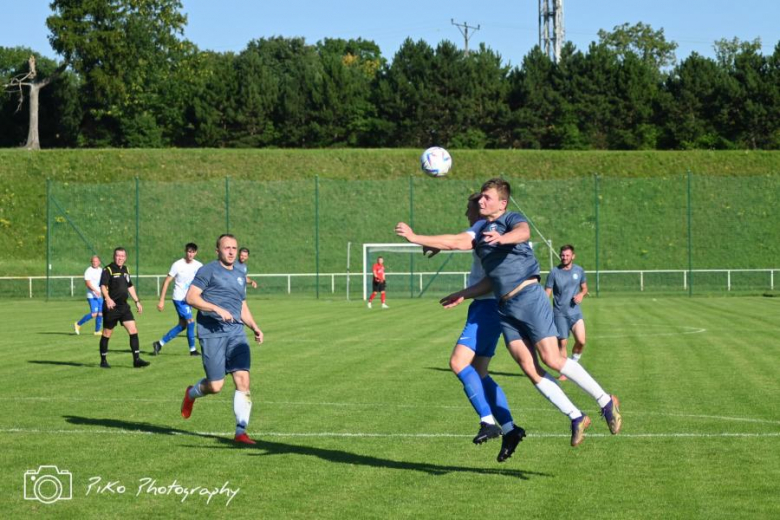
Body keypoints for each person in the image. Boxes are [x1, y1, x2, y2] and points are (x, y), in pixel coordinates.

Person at [395, 178, 621, 446]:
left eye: (487, 197)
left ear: (502, 202)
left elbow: (523, 233)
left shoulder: (510, 218)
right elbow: (456, 241)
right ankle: (575, 416)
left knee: (552, 359)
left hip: (529, 297)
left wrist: (503, 238)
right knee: (529, 368)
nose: (481, 201)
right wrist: (423, 242)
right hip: (504, 307)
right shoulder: (479, 230)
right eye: (480, 198)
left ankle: (605, 401)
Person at [435, 193, 526, 462]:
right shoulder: (484, 232)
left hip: (487, 308)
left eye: (470, 208)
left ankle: (488, 421)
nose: (467, 213)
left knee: (458, 363)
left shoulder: (486, 232)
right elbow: (455, 242)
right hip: (488, 307)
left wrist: (415, 236)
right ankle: (510, 429)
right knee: (480, 371)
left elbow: (490, 279)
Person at [180, 234, 264, 445]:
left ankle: (241, 432)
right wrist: (216, 308)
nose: (231, 251)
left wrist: (254, 326)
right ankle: (191, 393)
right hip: (212, 332)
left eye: (234, 248)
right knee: (216, 386)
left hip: (236, 332)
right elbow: (190, 298)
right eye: (226, 248)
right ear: (217, 251)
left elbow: (241, 304)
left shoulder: (240, 271)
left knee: (243, 379)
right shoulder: (207, 270)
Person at [99, 247, 150, 369]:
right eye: (118, 255)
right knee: (107, 333)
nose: (120, 258)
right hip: (111, 307)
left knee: (133, 330)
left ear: (125, 257)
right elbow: (102, 285)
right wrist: (108, 298)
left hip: (124, 307)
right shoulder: (108, 269)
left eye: (122, 256)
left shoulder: (126, 269)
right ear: (114, 256)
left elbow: (130, 286)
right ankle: (103, 360)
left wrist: (137, 301)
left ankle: (136, 360)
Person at [152, 243, 203, 356]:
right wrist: (161, 300)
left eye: (193, 252)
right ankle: (193, 350)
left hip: (190, 298)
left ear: (196, 253)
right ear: (185, 251)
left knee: (182, 325)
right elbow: (166, 282)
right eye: (189, 251)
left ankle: (159, 344)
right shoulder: (177, 265)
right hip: (179, 298)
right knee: (190, 322)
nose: (190, 254)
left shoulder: (199, 265)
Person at [545, 245, 588, 373]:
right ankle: (565, 372)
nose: (564, 257)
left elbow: (585, 288)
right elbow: (547, 292)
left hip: (575, 312)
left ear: (573, 256)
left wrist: (581, 294)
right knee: (562, 344)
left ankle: (573, 363)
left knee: (581, 341)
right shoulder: (554, 272)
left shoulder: (579, 270)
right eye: (562, 255)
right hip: (560, 314)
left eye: (567, 255)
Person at [74, 255, 104, 336]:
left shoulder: (101, 270)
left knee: (101, 313)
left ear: (99, 262)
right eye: (93, 261)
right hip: (91, 295)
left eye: (96, 261)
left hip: (99, 295)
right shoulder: (88, 271)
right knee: (94, 313)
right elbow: (87, 283)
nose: (94, 263)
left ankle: (97, 331)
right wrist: (95, 291)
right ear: (91, 262)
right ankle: (78, 324)